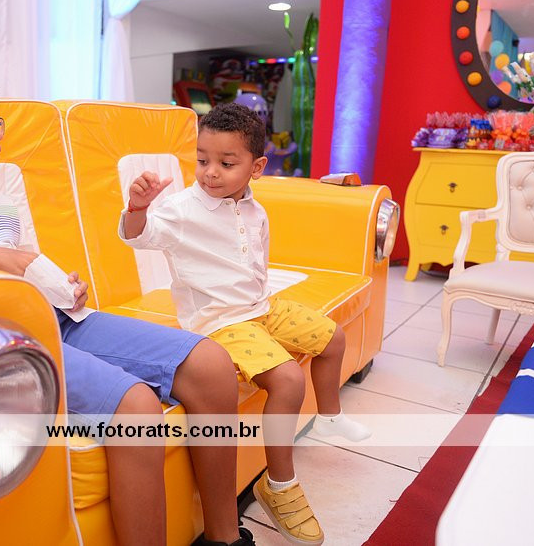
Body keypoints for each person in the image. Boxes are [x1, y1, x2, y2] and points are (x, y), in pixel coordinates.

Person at [0, 71, 253, 546]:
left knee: (211, 362)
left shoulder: (3, 183)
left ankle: (223, 537)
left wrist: (65, 285)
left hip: (56, 317)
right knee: (136, 408)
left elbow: (28, 257)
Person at [120, 103, 372, 546]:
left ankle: (329, 418)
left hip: (261, 308)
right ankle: (279, 485)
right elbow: (139, 235)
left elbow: (256, 264)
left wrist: (266, 308)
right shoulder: (182, 209)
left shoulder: (256, 211)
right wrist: (137, 207)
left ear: (256, 167)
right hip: (220, 322)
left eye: (226, 163)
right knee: (288, 379)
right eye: (202, 160)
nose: (210, 172)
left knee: (333, 337)